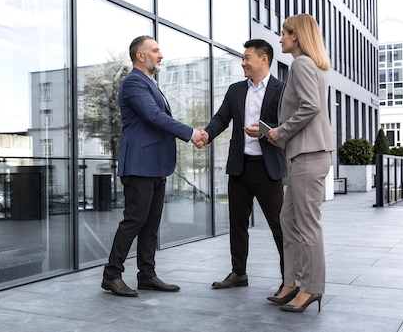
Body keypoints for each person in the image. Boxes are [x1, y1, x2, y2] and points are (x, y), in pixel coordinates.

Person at [101, 35, 205, 297]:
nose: (161, 55)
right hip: (139, 165)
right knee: (135, 219)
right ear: (140, 55)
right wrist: (190, 132)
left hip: (155, 166)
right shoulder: (134, 82)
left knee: (151, 223)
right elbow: (154, 116)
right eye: (155, 50)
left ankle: (146, 274)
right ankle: (111, 275)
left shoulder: (150, 84)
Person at [199, 39, 287, 294]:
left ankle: (288, 279)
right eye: (243, 58)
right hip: (240, 167)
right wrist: (206, 134)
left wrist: (264, 132)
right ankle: (239, 273)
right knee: (237, 224)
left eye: (247, 57)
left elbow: (288, 124)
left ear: (264, 59)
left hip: (267, 169)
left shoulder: (282, 90)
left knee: (278, 226)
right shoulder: (236, 90)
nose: (243, 62)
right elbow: (221, 118)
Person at [266, 13, 335, 313]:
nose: (280, 38)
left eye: (283, 33)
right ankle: (292, 281)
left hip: (308, 154)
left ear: (296, 36)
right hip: (302, 154)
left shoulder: (302, 63)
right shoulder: (310, 65)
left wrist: (281, 131)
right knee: (288, 220)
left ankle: (311, 288)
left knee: (306, 225)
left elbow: (310, 107)